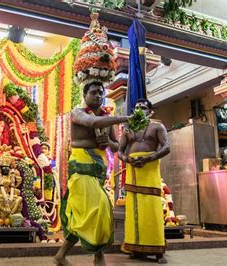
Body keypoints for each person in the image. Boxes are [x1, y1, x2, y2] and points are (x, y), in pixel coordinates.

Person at [54, 82, 131, 265]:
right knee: (99, 209)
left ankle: (60, 256)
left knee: (85, 214)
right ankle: (99, 257)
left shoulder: (106, 119)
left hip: (97, 170)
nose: (98, 96)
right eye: (94, 92)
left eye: (101, 93)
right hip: (81, 168)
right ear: (85, 95)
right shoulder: (78, 113)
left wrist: (107, 143)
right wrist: (125, 117)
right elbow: (93, 122)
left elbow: (116, 147)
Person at [117, 98, 171, 263]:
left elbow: (166, 147)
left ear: (150, 111)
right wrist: (127, 159)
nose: (140, 110)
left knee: (151, 208)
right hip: (133, 168)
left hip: (150, 169)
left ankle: (158, 251)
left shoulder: (157, 126)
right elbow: (120, 151)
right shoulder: (128, 130)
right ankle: (135, 247)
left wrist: (149, 159)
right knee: (134, 209)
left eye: (143, 107)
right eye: (137, 107)